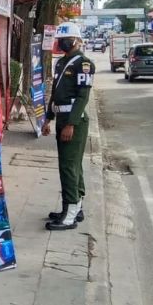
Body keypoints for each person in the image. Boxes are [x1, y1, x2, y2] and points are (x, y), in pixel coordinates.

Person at [42, 22, 95, 230]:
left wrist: (71, 124)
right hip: (61, 118)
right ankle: (75, 206)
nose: (61, 43)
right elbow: (55, 93)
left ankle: (70, 214)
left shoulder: (84, 64)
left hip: (74, 121)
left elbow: (83, 97)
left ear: (75, 40)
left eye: (65, 39)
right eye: (59, 40)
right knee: (72, 165)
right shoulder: (61, 63)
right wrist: (48, 118)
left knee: (68, 167)